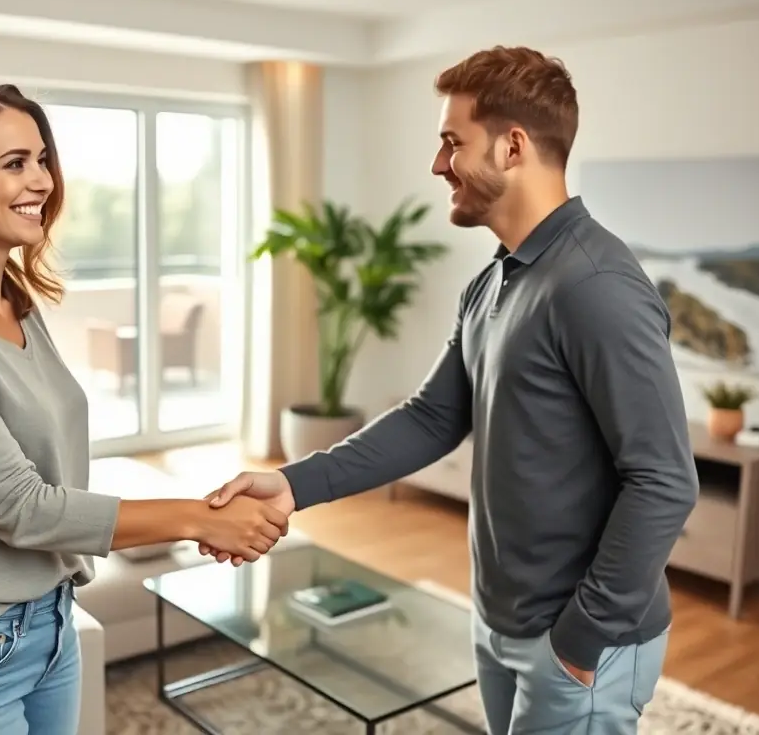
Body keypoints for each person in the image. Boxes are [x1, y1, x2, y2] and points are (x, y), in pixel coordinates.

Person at [200, 46, 699, 734]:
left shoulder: (595, 287)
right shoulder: (495, 281)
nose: (439, 165)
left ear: (513, 146)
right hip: (503, 621)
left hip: (578, 640)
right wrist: (291, 485)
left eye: (451, 142)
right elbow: (432, 417)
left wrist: (583, 638)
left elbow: (664, 480)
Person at [0, 79, 289, 735]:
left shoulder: (16, 302)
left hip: (51, 622)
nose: (43, 181)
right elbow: (20, 506)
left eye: (43, 159)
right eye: (15, 163)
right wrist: (198, 519)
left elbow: (52, 472)